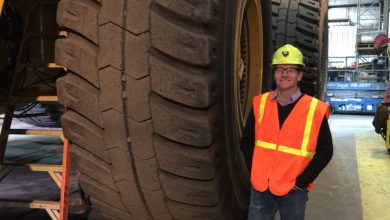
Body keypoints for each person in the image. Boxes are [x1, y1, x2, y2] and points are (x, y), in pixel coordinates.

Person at [243, 44, 333, 220]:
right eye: (280, 69)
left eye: (291, 69)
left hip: (293, 189)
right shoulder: (259, 103)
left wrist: (302, 182)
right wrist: (255, 172)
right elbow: (246, 141)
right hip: (261, 187)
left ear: (299, 75)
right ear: (274, 74)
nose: (285, 74)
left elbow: (326, 150)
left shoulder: (315, 109)